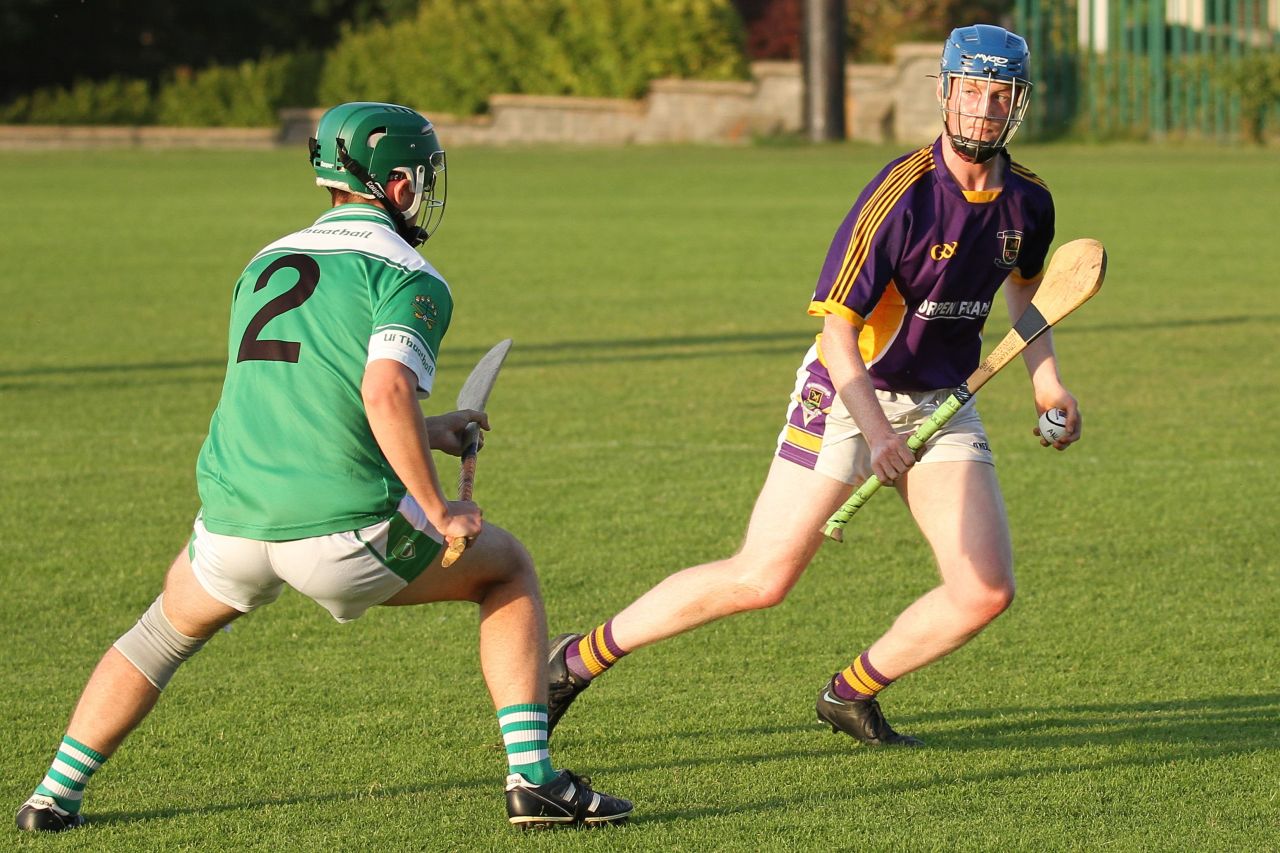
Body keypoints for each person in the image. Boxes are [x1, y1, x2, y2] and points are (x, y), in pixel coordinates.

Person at [16, 102, 630, 833]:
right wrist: (439, 509)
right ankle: (534, 780)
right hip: (343, 531)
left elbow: (311, 391)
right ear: (397, 185)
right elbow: (383, 388)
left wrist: (430, 431)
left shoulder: (263, 259)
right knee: (506, 569)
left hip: (233, 520)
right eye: (419, 178)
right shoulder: (410, 275)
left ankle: (52, 795)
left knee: (156, 635)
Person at [547, 25, 1077, 747]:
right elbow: (837, 330)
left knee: (984, 589)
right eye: (972, 90)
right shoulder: (901, 197)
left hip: (941, 401)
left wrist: (1049, 385)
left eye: (1000, 94)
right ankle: (576, 660)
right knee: (762, 577)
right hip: (847, 392)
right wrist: (880, 431)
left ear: (1018, 104)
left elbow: (1027, 297)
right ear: (947, 92)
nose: (984, 108)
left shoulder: (1028, 204)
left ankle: (849, 692)